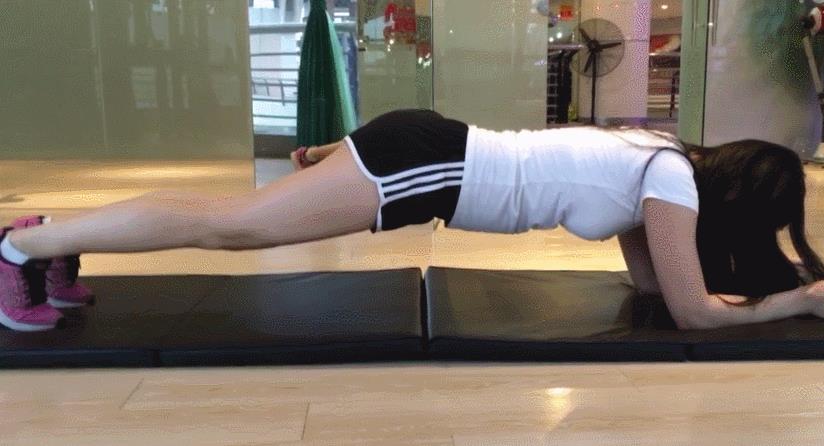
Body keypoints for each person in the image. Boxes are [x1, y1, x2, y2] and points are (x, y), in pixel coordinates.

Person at [1, 109, 823, 332]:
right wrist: (794, 301)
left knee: (231, 220)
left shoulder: (660, 159)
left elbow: (653, 287)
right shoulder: (670, 179)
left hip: (427, 152)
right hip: (427, 164)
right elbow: (690, 311)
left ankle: (53, 245)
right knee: (233, 225)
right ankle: (23, 246)